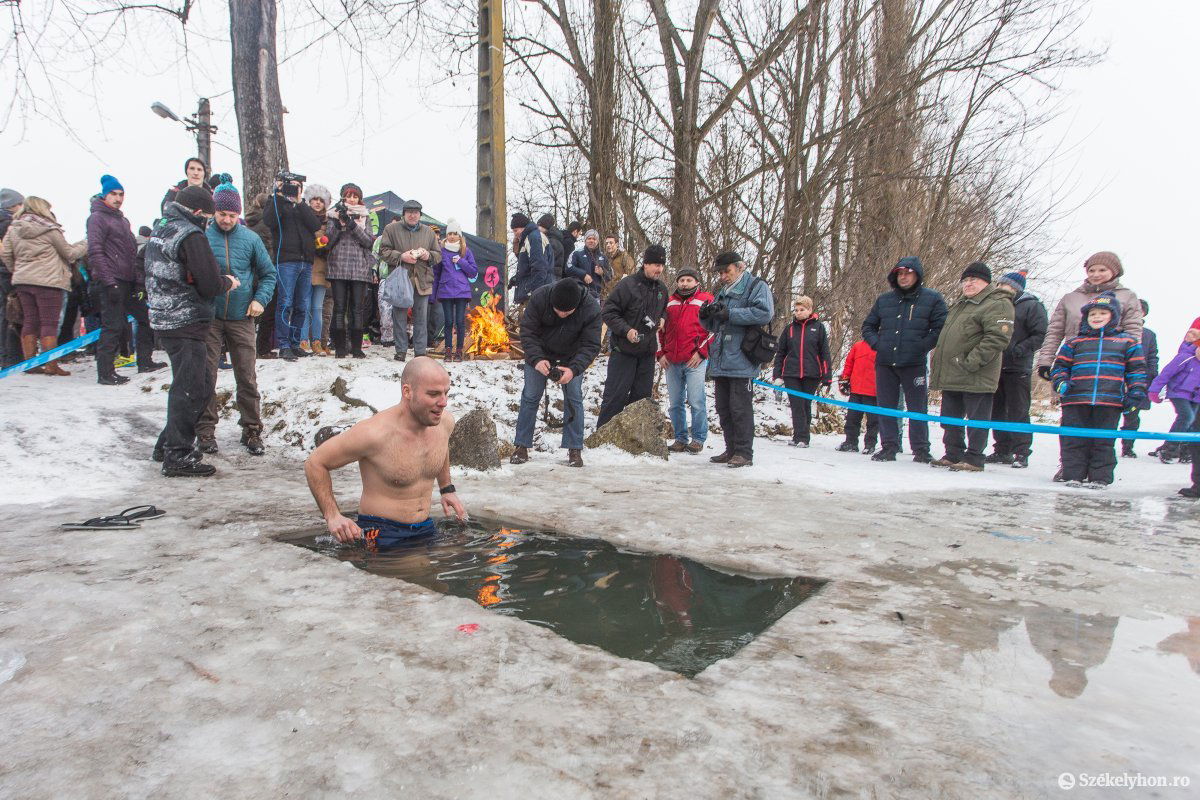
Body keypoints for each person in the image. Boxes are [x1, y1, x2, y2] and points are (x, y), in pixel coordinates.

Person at [304, 357, 467, 548]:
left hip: (424, 527)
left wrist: (446, 489)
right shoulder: (374, 433)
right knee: (421, 574)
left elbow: (441, 446)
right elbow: (315, 463)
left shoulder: (443, 422)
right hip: (382, 532)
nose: (443, 402)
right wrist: (332, 516)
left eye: (446, 393)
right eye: (433, 394)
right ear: (407, 391)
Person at [145, 186, 240, 477]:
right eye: (209, 217)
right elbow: (209, 283)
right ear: (198, 212)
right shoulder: (190, 235)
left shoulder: (162, 229)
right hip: (186, 319)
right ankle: (178, 455)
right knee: (193, 387)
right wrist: (228, 282)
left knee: (190, 383)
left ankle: (168, 444)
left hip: (165, 316)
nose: (209, 223)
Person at [194, 183, 276, 456]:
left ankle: (252, 429)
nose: (227, 219)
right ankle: (205, 431)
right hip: (211, 318)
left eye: (231, 214)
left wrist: (260, 300)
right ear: (214, 212)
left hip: (242, 316)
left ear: (238, 213)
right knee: (207, 376)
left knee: (247, 376)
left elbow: (268, 274)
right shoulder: (203, 236)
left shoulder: (250, 239)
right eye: (222, 214)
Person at [1049, 291, 1146, 488]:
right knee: (1073, 439)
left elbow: (1137, 371)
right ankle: (1073, 474)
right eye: (1093, 314)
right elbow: (1060, 367)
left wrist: (1135, 393)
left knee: (1102, 440)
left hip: (1109, 401)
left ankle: (1099, 476)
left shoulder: (1127, 342)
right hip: (1076, 399)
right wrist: (1061, 383)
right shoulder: (1074, 342)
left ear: (1114, 316)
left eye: (1102, 313)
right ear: (1086, 317)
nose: (1097, 317)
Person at [928, 262, 1014, 472]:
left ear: (986, 281)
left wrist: (972, 361)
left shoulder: (998, 303)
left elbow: (997, 337)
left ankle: (974, 457)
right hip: (952, 372)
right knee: (949, 417)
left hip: (976, 373)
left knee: (977, 419)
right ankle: (953, 453)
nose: (968, 284)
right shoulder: (961, 304)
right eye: (965, 280)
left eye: (973, 279)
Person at [861, 256, 948, 463]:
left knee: (917, 408)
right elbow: (868, 326)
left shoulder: (932, 298)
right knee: (886, 406)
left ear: (917, 275)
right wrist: (878, 344)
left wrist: (921, 346)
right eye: (899, 273)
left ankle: (921, 450)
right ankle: (889, 447)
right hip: (885, 362)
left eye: (907, 273)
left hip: (914, 363)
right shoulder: (884, 300)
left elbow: (940, 328)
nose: (903, 277)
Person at [510, 278, 602, 467]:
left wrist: (574, 369)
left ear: (576, 306)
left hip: (572, 357)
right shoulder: (540, 297)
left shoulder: (591, 308)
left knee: (574, 398)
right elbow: (527, 332)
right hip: (540, 354)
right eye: (557, 310)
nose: (561, 314)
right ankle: (521, 445)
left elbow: (591, 345)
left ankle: (574, 447)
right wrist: (536, 359)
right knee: (530, 396)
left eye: (566, 312)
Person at [699, 251, 774, 468]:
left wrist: (731, 314)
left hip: (742, 356)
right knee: (723, 407)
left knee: (740, 408)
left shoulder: (756, 286)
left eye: (727, 271)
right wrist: (705, 317)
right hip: (721, 357)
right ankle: (731, 449)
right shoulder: (723, 291)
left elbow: (764, 313)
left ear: (739, 267)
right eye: (720, 272)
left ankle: (744, 452)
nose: (723, 276)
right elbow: (716, 325)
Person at [87, 174, 163, 384]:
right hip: (111, 280)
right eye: (114, 194)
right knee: (113, 325)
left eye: (121, 194)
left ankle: (145, 361)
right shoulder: (97, 218)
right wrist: (108, 281)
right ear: (105, 195)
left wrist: (138, 280)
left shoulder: (122, 220)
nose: (118, 198)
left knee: (146, 319)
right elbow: (95, 251)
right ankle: (105, 372)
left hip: (129, 281)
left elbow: (131, 253)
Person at [1, 196, 87, 376]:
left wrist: (18, 271)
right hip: (48, 282)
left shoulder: (14, 228)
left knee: (29, 321)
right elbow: (69, 254)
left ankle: (31, 364)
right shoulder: (49, 229)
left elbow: (7, 255)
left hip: (23, 281)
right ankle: (51, 364)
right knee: (49, 323)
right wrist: (85, 244)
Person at [1036, 251, 1143, 379]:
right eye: (1091, 270)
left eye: (1102, 270)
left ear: (1114, 272)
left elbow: (1133, 330)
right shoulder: (1070, 298)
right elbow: (1055, 331)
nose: (1096, 274)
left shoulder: (1127, 296)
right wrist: (1045, 361)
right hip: (1073, 360)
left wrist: (1132, 361)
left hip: (1111, 363)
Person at [597, 245, 669, 428]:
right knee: (615, 395)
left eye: (661, 265)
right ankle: (603, 436)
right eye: (654, 264)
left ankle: (636, 439)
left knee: (642, 398)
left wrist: (662, 318)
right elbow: (609, 312)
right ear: (645, 264)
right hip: (624, 350)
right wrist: (626, 330)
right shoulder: (628, 284)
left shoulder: (662, 289)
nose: (658, 269)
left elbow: (664, 311)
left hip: (647, 352)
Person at [986, 271, 1047, 468]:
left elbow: (1039, 334)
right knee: (996, 409)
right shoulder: (993, 305)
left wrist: (1019, 350)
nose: (1002, 289)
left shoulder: (1032, 306)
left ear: (1016, 288)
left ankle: (1021, 452)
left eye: (1007, 286)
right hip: (994, 366)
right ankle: (1002, 449)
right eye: (1000, 285)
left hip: (1018, 365)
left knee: (1018, 410)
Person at [263, 175, 322, 361]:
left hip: (306, 261)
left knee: (301, 305)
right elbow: (269, 221)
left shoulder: (303, 206)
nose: (293, 189)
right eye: (291, 186)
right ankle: (284, 344)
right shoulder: (276, 203)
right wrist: (279, 195)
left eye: (297, 186)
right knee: (285, 303)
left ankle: (295, 343)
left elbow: (315, 225)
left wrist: (299, 202)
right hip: (286, 260)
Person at [658, 267, 714, 453]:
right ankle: (680, 438)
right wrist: (660, 354)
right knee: (675, 402)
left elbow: (714, 330)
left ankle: (698, 438)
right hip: (672, 360)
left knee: (696, 400)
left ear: (697, 282)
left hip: (694, 360)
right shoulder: (669, 302)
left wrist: (701, 352)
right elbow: (660, 330)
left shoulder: (706, 300)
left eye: (689, 280)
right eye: (682, 280)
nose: (685, 283)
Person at [379, 199, 439, 357]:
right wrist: (401, 256)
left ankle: (420, 353)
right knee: (399, 316)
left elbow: (438, 255)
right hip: (400, 278)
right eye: (409, 212)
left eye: (416, 212)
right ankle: (401, 351)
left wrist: (428, 255)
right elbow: (383, 251)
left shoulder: (429, 232)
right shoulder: (391, 229)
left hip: (422, 279)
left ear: (420, 214)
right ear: (403, 214)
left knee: (421, 318)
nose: (413, 215)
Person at [771, 295, 831, 448]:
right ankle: (800, 436)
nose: (798, 312)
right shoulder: (789, 329)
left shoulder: (818, 328)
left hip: (812, 373)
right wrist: (777, 375)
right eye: (796, 310)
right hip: (791, 373)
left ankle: (803, 437)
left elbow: (825, 353)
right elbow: (780, 352)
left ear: (810, 310)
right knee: (796, 404)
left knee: (805, 404)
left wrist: (827, 378)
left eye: (802, 310)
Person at [324, 182, 376, 359]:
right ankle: (339, 347)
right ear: (343, 197)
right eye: (349, 195)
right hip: (338, 265)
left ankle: (356, 348)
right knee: (339, 308)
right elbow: (328, 242)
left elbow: (369, 241)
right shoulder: (333, 215)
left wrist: (352, 224)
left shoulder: (366, 216)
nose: (352, 199)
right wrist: (339, 224)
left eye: (355, 196)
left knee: (358, 309)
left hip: (360, 268)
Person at [431, 218, 478, 362]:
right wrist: (433, 294)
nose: (452, 236)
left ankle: (459, 352)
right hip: (446, 291)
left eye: (455, 233)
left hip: (462, 291)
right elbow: (436, 273)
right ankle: (447, 351)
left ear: (459, 235)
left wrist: (461, 261)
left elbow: (473, 272)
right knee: (449, 321)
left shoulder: (466, 251)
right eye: (449, 233)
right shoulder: (441, 251)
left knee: (460, 321)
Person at [1148, 340, 1199, 464]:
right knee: (1187, 416)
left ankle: (1186, 451)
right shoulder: (1185, 357)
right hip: (1178, 392)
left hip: (1196, 396)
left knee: (1194, 423)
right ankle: (1169, 449)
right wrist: (1154, 390)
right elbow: (1166, 373)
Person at [1120, 300, 1158, 458]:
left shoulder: (1148, 334)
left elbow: (1152, 357)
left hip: (1137, 380)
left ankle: (1127, 447)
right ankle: (1101, 445)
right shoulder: (1116, 330)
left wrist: (1151, 377)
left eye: (1139, 310)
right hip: (1114, 378)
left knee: (1132, 416)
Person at [301, 184, 333, 356]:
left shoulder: (329, 222)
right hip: (305, 265)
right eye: (315, 199)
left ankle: (317, 342)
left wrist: (323, 247)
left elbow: (331, 242)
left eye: (321, 200)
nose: (318, 203)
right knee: (304, 305)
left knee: (317, 307)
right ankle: (303, 339)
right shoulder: (302, 218)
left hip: (321, 268)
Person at [836, 340, 879, 454]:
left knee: (873, 421)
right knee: (852, 418)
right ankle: (850, 442)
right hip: (856, 389)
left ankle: (870, 444)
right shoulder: (858, 345)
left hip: (873, 391)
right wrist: (845, 379)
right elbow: (849, 363)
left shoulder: (882, 345)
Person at [0, 187, 26, 368]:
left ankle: (5, 356)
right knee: (12, 315)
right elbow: (7, 252)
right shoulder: (8, 224)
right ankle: (12, 357)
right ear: (13, 205)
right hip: (8, 273)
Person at [507, 213, 553, 305]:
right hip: (534, 290)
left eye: (516, 231)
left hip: (538, 292)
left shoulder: (534, 238)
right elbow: (528, 268)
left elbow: (539, 267)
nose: (515, 234)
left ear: (523, 227)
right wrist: (516, 279)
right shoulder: (528, 238)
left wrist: (534, 292)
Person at [566, 229, 612, 299]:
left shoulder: (603, 257)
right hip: (579, 293)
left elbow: (610, 275)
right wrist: (583, 274)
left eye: (594, 239)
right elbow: (568, 268)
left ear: (597, 241)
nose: (591, 241)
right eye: (589, 238)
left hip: (597, 296)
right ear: (585, 240)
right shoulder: (577, 253)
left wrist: (602, 272)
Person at [603, 235, 636, 301]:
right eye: (607, 243)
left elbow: (631, 274)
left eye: (611, 243)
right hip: (608, 295)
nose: (608, 245)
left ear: (617, 244)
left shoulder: (624, 256)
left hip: (622, 294)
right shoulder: (605, 258)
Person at [537, 214, 568, 279]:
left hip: (551, 280)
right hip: (549, 278)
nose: (538, 228)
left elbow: (544, 260)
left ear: (545, 227)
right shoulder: (548, 240)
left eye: (540, 226)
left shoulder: (553, 242)